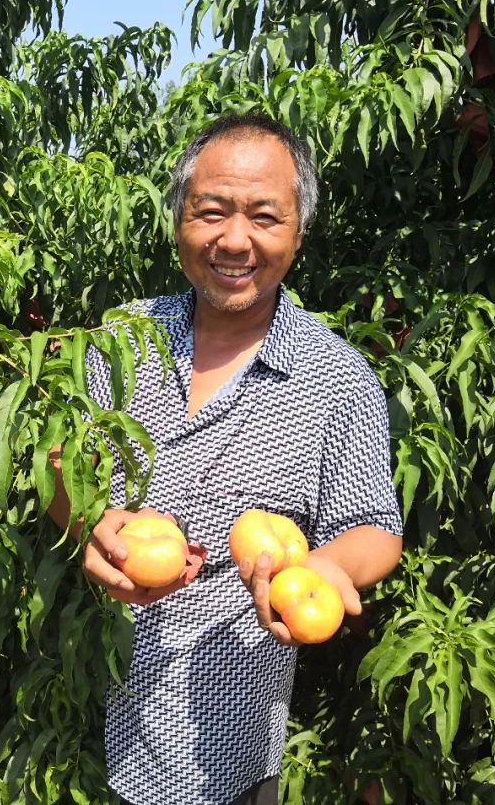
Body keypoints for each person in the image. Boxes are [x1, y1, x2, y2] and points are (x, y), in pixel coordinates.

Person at [48, 112, 404, 805]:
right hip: (98, 711)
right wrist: (85, 521)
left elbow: (374, 526)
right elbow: (61, 465)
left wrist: (325, 570)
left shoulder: (338, 378)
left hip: (227, 748)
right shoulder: (119, 340)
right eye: (210, 211)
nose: (234, 240)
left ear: (298, 231)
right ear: (180, 216)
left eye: (264, 217)